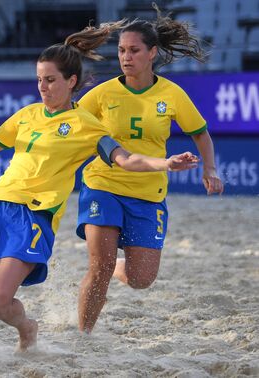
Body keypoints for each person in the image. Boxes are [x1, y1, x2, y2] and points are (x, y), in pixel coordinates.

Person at [0, 21, 199, 354]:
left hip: (33, 216)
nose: (43, 87)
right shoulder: (28, 114)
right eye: (39, 80)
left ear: (71, 82)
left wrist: (165, 163)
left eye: (51, 80)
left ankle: (27, 326)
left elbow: (125, 159)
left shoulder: (87, 125)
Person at [76, 5, 224, 334]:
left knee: (141, 280)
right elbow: (70, 125)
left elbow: (200, 133)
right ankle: (82, 337)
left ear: (152, 53)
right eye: (121, 50)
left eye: (134, 50)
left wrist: (209, 169)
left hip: (148, 193)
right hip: (103, 184)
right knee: (99, 269)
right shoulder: (102, 93)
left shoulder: (171, 94)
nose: (126, 57)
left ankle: (118, 268)